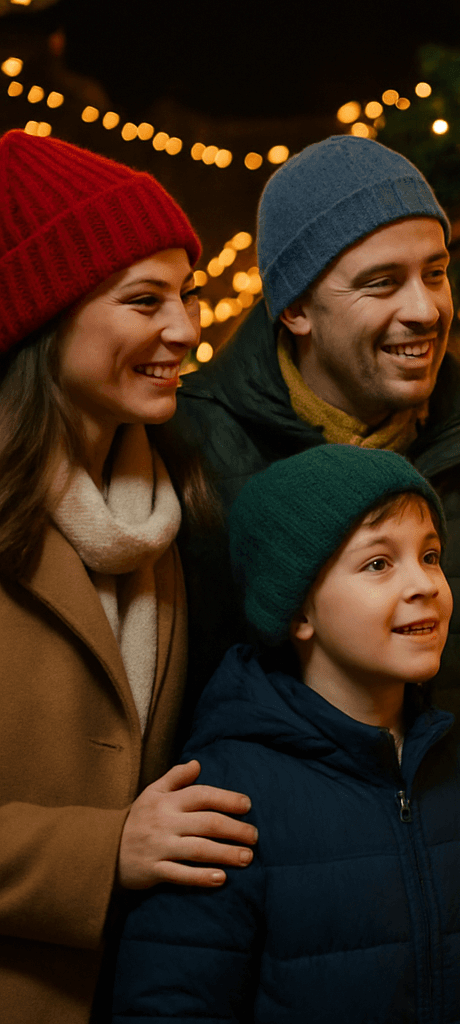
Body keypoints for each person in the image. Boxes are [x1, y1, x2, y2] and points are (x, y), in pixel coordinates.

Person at [170, 135, 460, 785]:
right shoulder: (187, 440)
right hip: (256, 839)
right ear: (297, 308)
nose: (425, 310)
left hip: (454, 830)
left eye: (435, 273)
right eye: (382, 283)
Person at [110, 443, 460, 1023]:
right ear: (298, 610)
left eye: (430, 556)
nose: (424, 583)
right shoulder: (226, 796)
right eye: (379, 563)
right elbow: (170, 1007)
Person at [0, 131, 257, 1024]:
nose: (185, 328)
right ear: (42, 317)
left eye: (186, 294)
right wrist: (101, 849)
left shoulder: (167, 512)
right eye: (145, 299)